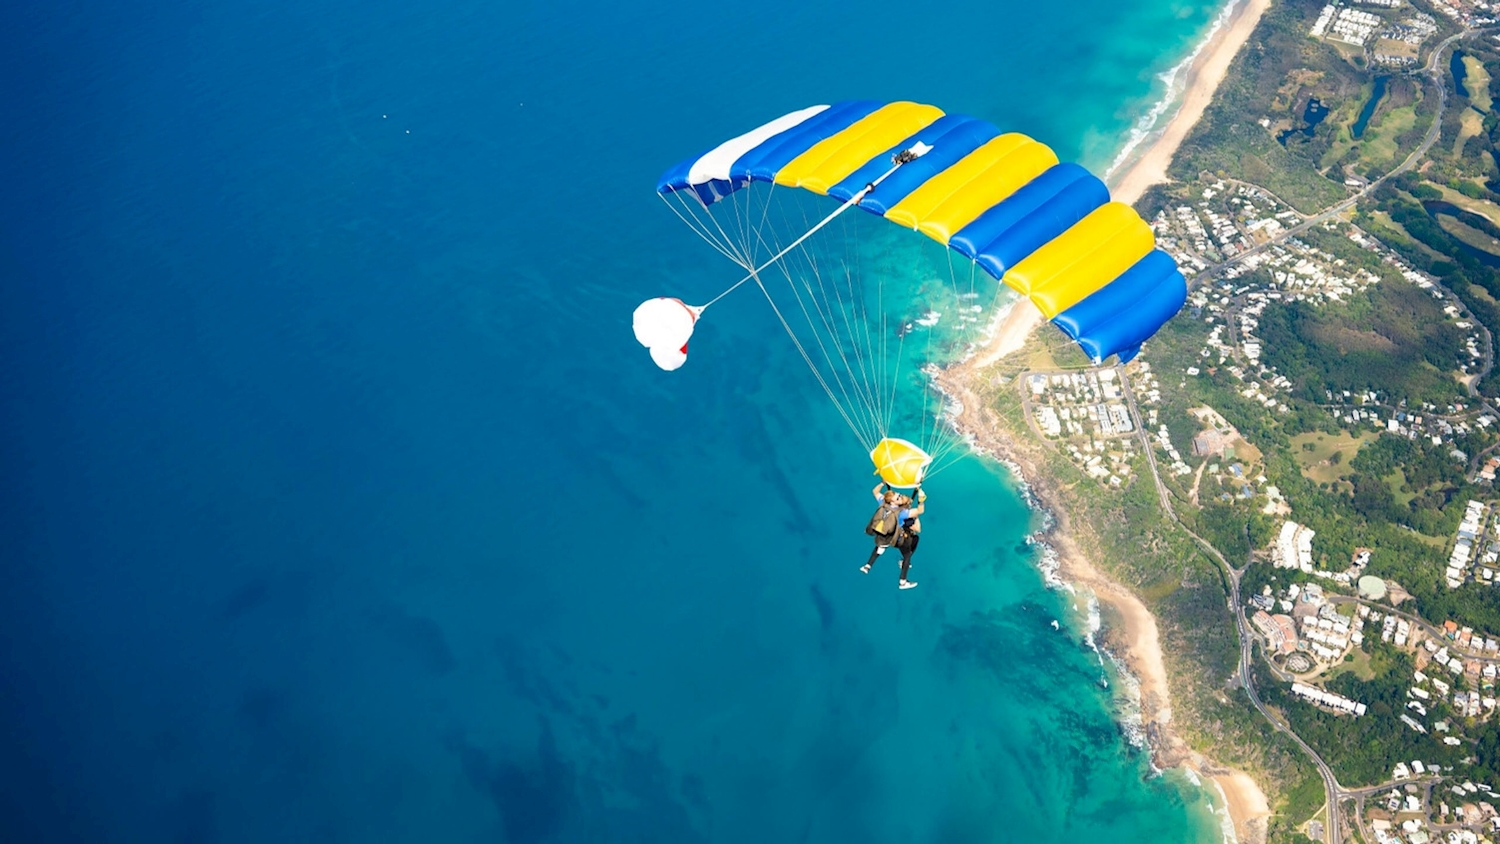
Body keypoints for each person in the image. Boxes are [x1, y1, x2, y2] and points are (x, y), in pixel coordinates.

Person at [893, 489, 926, 589]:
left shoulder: (896, 511)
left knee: (915, 540)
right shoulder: (905, 517)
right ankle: (902, 581)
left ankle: (904, 564)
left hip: (900, 539)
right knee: (908, 555)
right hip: (902, 539)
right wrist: (915, 516)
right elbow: (918, 529)